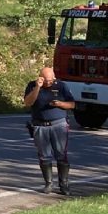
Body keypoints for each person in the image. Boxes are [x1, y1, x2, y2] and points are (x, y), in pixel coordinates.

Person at [23, 66, 76, 194]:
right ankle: (48, 183)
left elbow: (72, 104)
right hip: (40, 125)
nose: (48, 83)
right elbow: (28, 102)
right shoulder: (32, 85)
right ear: (40, 77)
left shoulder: (62, 86)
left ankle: (64, 185)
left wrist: (60, 104)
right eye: (46, 80)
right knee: (44, 155)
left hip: (59, 125)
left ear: (54, 78)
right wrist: (38, 87)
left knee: (61, 154)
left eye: (50, 80)